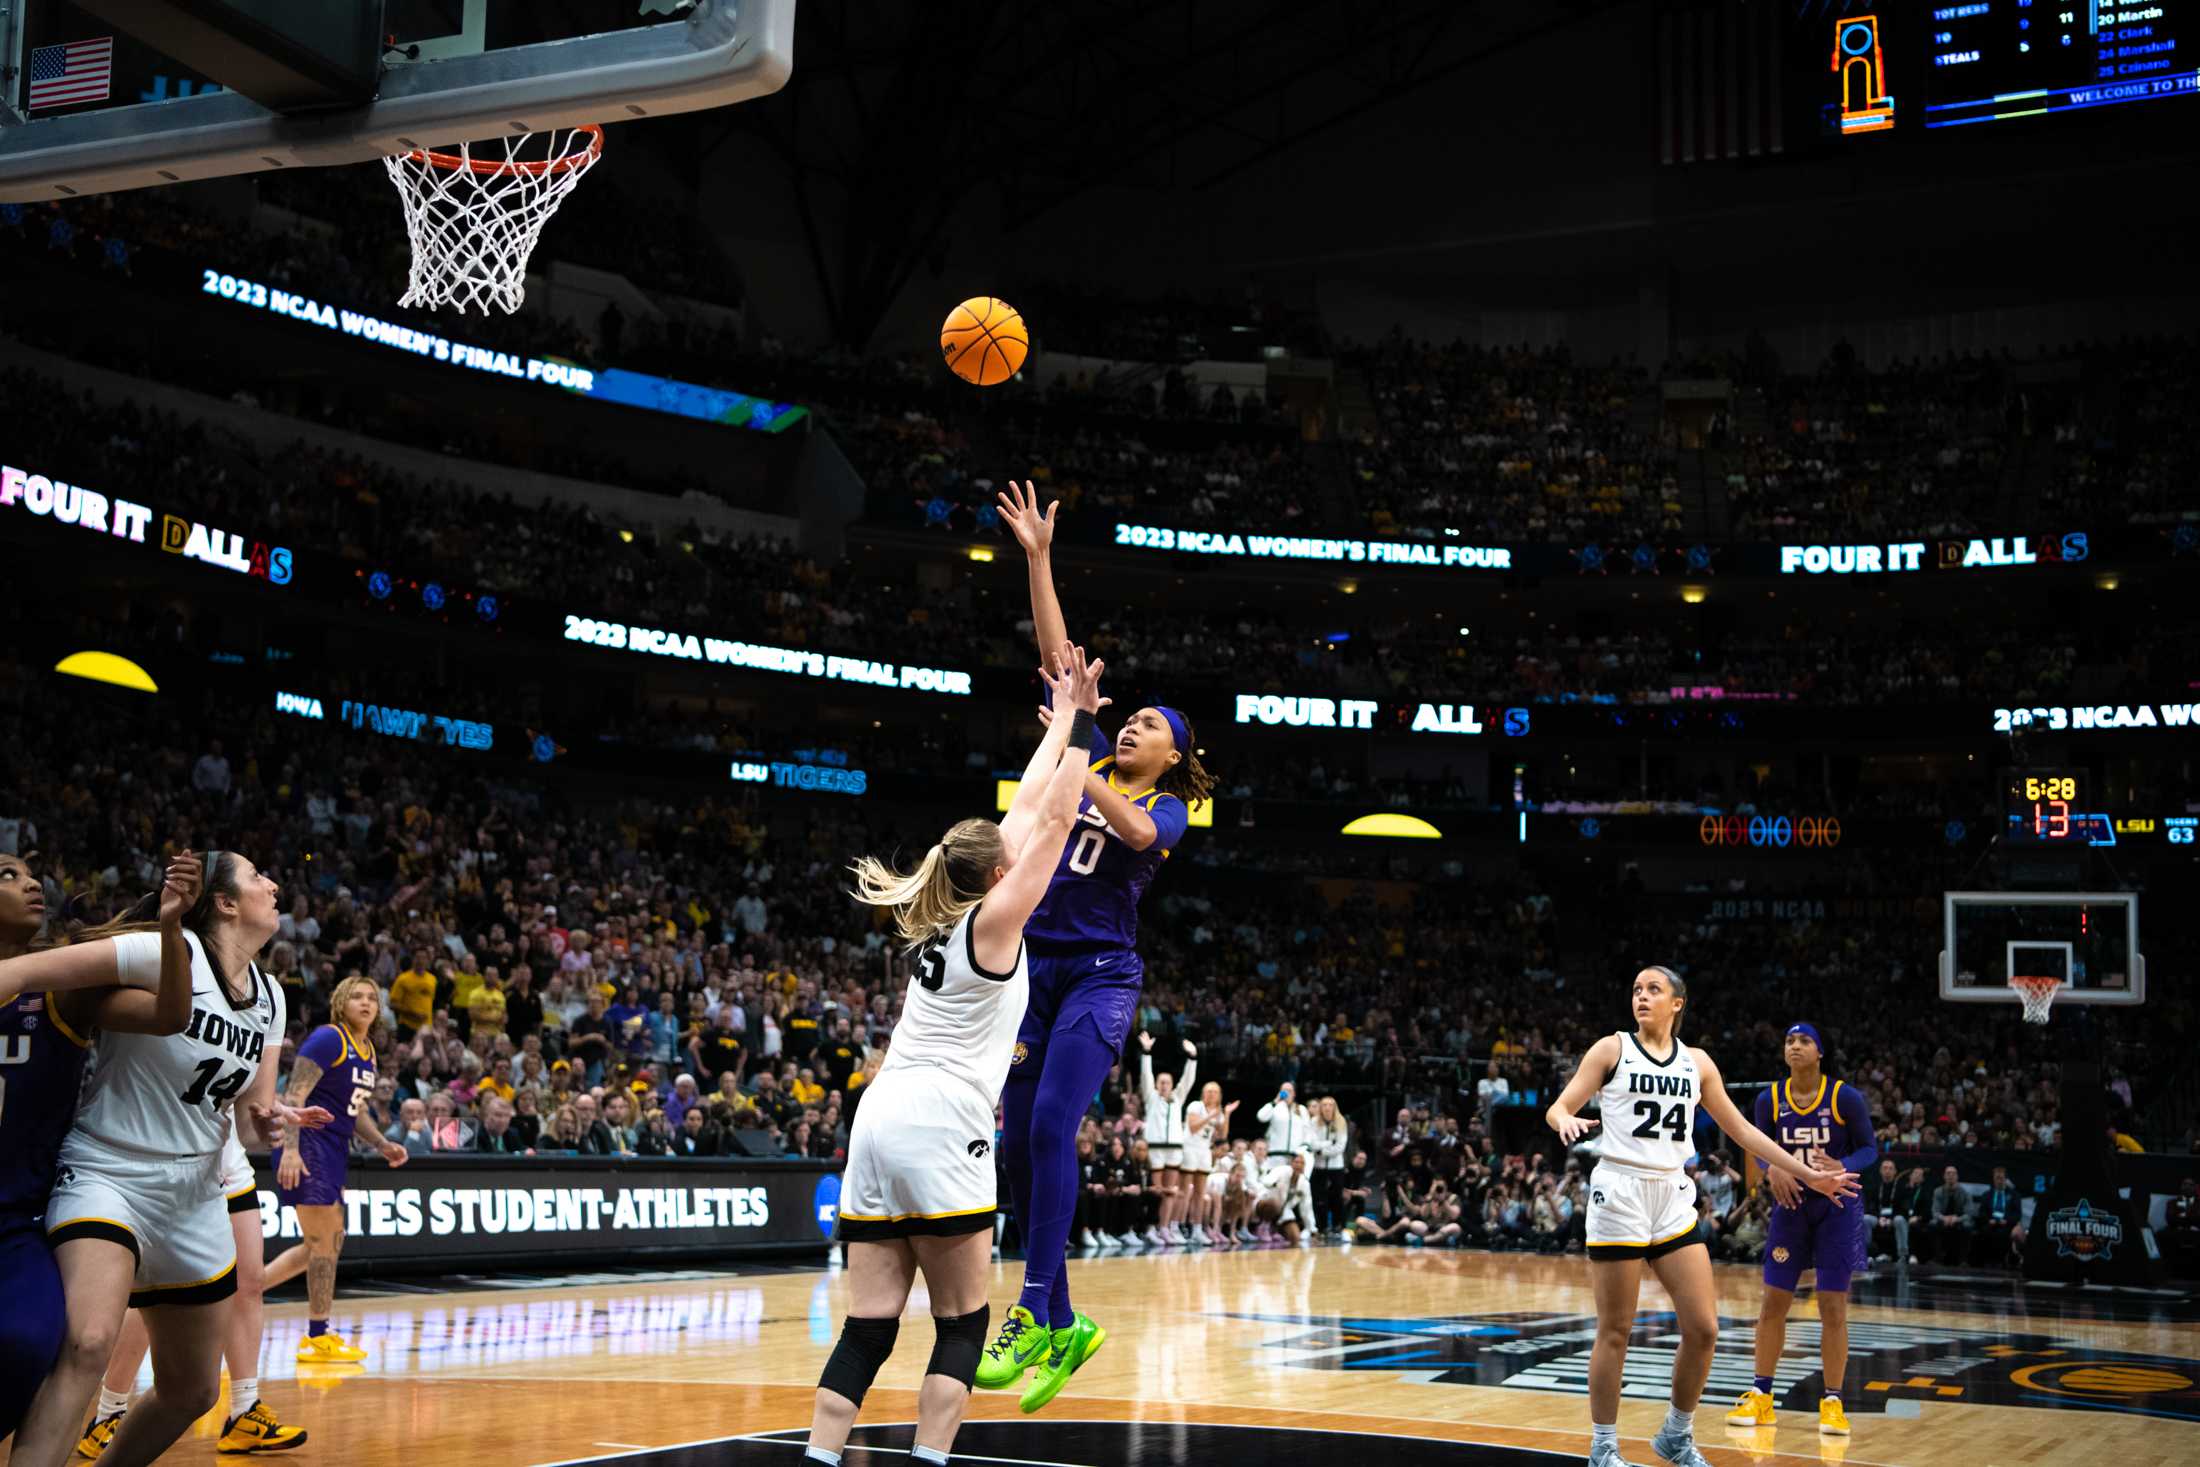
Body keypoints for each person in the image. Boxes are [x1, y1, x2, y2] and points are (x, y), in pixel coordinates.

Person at [804, 642, 1100, 1467]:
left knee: (870, 1325)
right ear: (998, 871)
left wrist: (1065, 721)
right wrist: (1084, 731)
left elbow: (1029, 804)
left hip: (879, 1114)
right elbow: (1055, 819)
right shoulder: (995, 924)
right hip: (942, 1123)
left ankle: (817, 1459)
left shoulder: (945, 910)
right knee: (964, 1322)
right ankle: (929, 1460)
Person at [982, 484, 1215, 1409]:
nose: (1133, 725)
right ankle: (1067, 1322)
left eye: (1152, 726)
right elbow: (1058, 660)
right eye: (1131, 718)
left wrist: (1077, 755)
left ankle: (1034, 1310)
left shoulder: (1165, 803)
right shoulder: (1082, 747)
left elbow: (1139, 837)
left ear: (1173, 756)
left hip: (1101, 977)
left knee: (1049, 1126)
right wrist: (1038, 557)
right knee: (1015, 1148)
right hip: (1028, 972)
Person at [4, 853, 330, 1467]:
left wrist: (270, 1120)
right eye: (259, 876)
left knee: (193, 1390)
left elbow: (250, 1118)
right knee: (89, 1342)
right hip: (108, 1169)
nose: (274, 883)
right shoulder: (162, 950)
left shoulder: (270, 996)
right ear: (226, 903)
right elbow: (26, 971)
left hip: (197, 1191)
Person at [1545, 967, 1857, 1467]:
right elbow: (1560, 1106)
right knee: (1616, 1330)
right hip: (1620, 1191)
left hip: (1671, 1192)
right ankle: (1603, 1447)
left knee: (1704, 1328)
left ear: (1677, 1004)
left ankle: (1675, 1435)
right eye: (1636, 989)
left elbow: (1742, 1132)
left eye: (1653, 990)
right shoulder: (1611, 1049)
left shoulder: (1698, 1063)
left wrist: (1807, 1174)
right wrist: (1564, 1118)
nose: (1642, 997)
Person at [1726, 1022, 1878, 1439]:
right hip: (1790, 1208)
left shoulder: (1844, 1096)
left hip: (1837, 1207)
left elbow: (1869, 1149)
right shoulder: (1769, 1099)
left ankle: (1832, 1401)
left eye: (1804, 1041)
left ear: (1820, 1051)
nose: (1794, 1046)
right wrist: (1770, 1167)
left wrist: (1844, 1166)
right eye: (1789, 1041)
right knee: (1772, 1303)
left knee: (1833, 1306)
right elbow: (1758, 1147)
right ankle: (1761, 1396)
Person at [259, 974, 409, 1362]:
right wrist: (289, 1149)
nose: (365, 1002)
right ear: (341, 1002)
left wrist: (381, 1143)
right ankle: (316, 1335)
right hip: (307, 1142)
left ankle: (242, 1293)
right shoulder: (329, 1038)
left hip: (334, 1147)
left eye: (372, 998)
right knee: (325, 1240)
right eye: (356, 996)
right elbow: (293, 1095)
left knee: (322, 1244)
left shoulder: (368, 1049)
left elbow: (354, 1111)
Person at [1135, 1032, 1196, 1246]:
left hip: (1175, 1149)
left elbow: (1188, 1081)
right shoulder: (1151, 1098)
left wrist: (1192, 1058)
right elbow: (1145, 1076)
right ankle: (1151, 1228)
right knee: (1156, 1192)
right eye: (1160, 1082)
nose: (1163, 1085)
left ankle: (1165, 1228)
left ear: (1171, 1085)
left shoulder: (1178, 1099)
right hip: (1155, 1148)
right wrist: (1147, 1052)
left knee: (1171, 1192)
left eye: (1167, 1082)